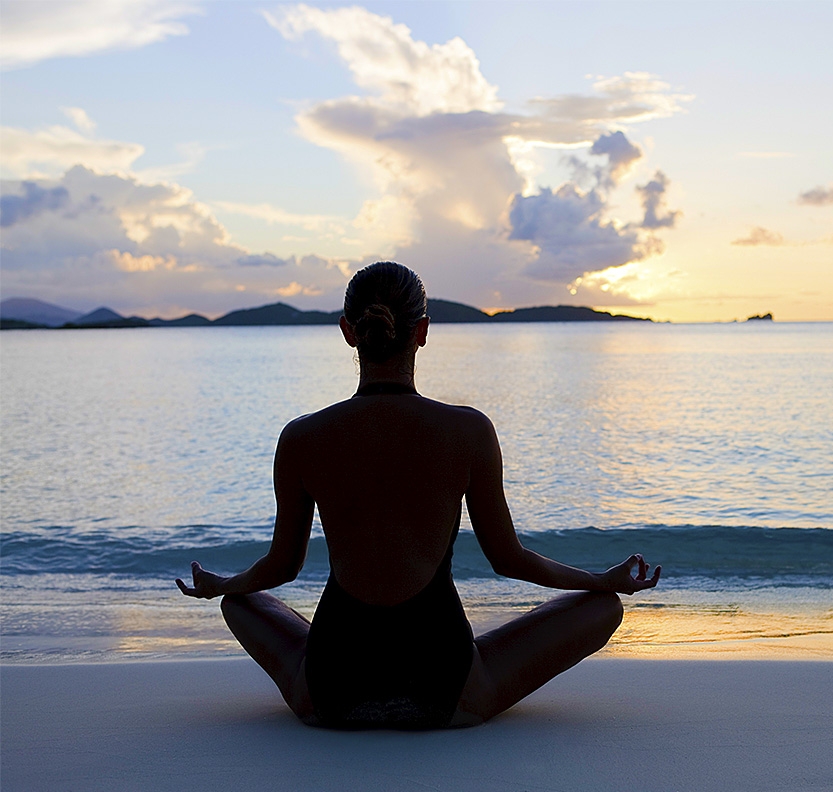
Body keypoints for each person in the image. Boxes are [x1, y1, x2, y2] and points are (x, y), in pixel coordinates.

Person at [177, 262, 661, 729]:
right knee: (603, 606)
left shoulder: (302, 437)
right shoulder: (468, 431)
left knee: (239, 602)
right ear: (423, 331)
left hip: (330, 691)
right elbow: (509, 560)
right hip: (446, 691)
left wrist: (224, 584)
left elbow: (282, 568)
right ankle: (476, 675)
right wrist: (601, 579)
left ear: (348, 331)